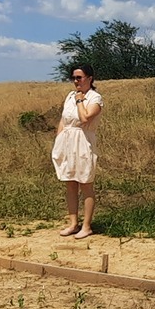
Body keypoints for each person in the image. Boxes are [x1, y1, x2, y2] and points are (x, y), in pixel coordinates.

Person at [51, 64, 102, 237]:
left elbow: (85, 117)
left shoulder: (95, 98)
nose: (75, 81)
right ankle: (73, 223)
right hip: (67, 141)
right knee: (70, 183)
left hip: (83, 141)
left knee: (85, 183)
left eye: (79, 77)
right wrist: (58, 140)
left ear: (89, 78)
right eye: (73, 77)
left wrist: (81, 100)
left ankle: (87, 226)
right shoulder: (69, 96)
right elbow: (64, 119)